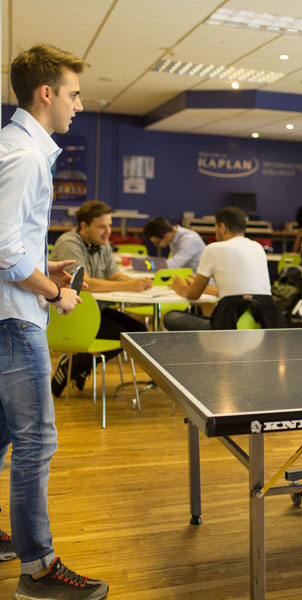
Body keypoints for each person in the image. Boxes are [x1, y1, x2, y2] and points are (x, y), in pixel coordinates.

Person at [0, 43, 110, 599]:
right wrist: (55, 291)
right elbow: (3, 250)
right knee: (36, 442)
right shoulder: (24, 156)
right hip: (15, 322)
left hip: (6, 315)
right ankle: (38, 570)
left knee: (2, 435)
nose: (79, 105)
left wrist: (45, 267)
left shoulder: (15, 147)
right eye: (74, 94)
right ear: (46, 94)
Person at [49, 200, 150, 396]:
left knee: (138, 332)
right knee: (124, 337)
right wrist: (128, 286)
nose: (108, 231)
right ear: (84, 226)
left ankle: (79, 364)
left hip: (95, 310)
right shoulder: (69, 243)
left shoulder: (102, 244)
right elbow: (84, 284)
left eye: (110, 225)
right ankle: (74, 364)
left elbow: (114, 274)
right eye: (102, 226)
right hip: (71, 313)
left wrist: (139, 282)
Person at [163, 207, 283, 330]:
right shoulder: (258, 248)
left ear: (222, 227)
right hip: (262, 326)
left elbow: (193, 295)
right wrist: (202, 287)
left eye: (215, 228)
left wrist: (180, 288)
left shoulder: (213, 249)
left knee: (170, 317)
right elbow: (240, 291)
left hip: (227, 328)